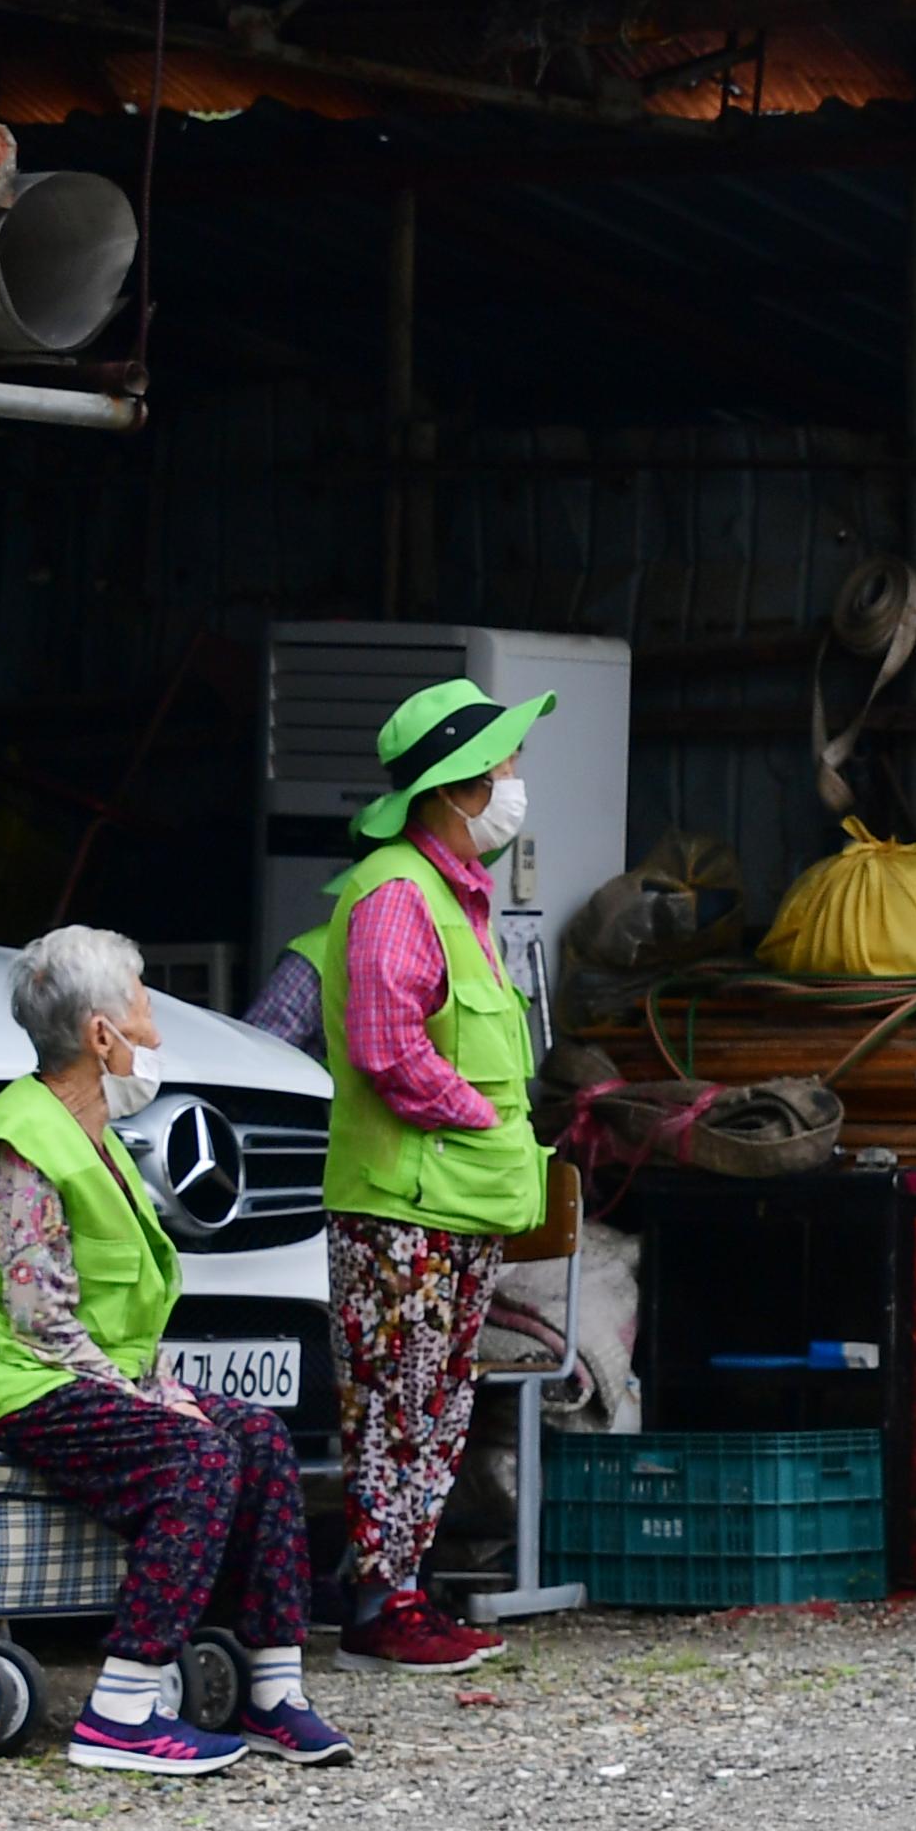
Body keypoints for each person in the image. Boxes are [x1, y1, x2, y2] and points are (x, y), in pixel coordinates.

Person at [0, 930, 352, 1774]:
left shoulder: (99, 1140)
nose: (156, 1026)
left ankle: (272, 1688)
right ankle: (120, 1710)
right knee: (196, 1456)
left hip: (89, 1376)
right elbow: (40, 1320)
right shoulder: (23, 1140)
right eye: (143, 1003)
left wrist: (157, 1380)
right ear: (100, 1036)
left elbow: (125, 1318)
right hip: (24, 1383)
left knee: (256, 1436)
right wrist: (152, 1396)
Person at [291, 675, 558, 1670]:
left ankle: (399, 1589)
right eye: (502, 765)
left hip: (451, 1203)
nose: (514, 777)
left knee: (433, 1406)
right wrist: (481, 1116)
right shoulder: (399, 891)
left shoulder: (454, 893)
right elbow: (386, 1047)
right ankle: (378, 1604)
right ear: (455, 787)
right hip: (405, 1207)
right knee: (399, 1408)